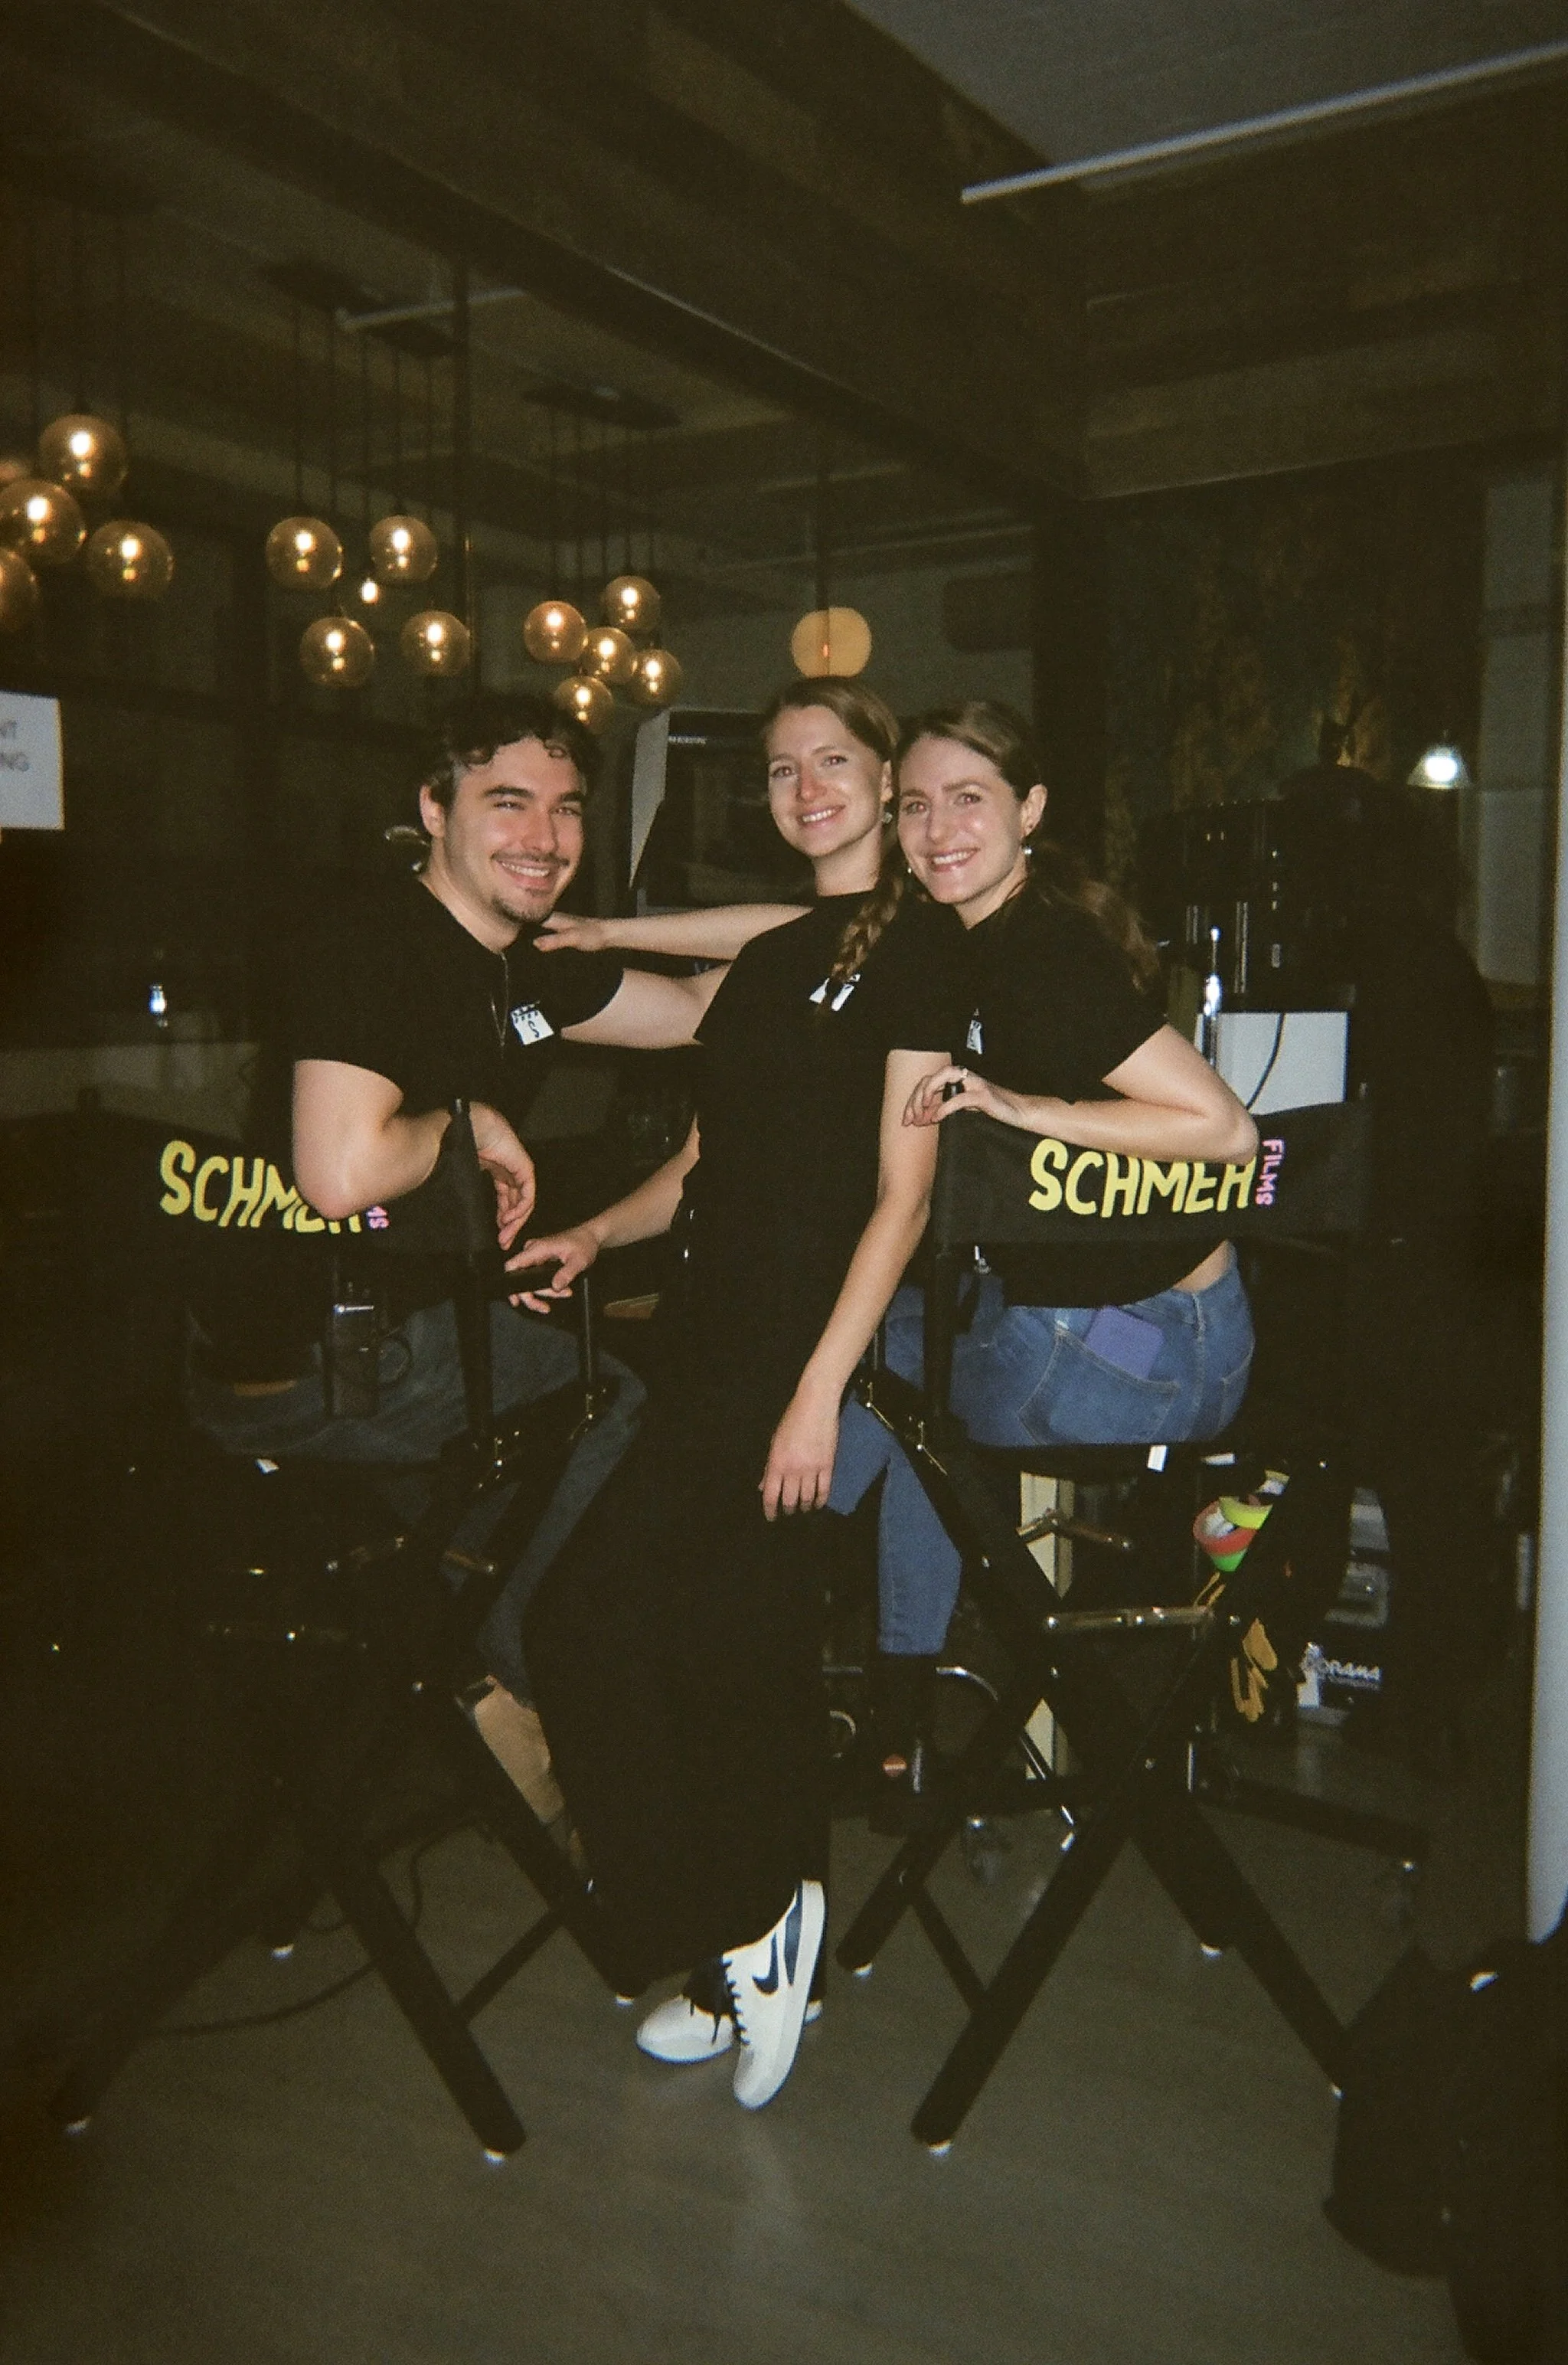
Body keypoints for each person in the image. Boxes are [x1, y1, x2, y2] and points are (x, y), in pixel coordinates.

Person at [510, 679, 969, 2107]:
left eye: (835, 760)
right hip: (718, 1332)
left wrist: (823, 1391)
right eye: (781, 769)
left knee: (611, 1620)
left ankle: (749, 1927)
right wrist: (596, 1233)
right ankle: (750, 1945)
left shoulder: (925, 955)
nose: (805, 786)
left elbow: (901, 1200)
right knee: (730, 1648)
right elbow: (707, 1162)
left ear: (889, 779)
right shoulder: (786, 956)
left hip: (799, 1345)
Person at [185, 690, 730, 1812]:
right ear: (435, 808)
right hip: (314, 1358)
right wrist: (472, 1119)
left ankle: (476, 1654)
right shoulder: (372, 939)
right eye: (509, 803)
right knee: (610, 1403)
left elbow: (692, 1010)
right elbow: (341, 1172)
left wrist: (860, 936)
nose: (546, 838)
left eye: (568, 809)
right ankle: (531, 1683)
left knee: (526, 1436)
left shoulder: (520, 968)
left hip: (380, 1339)